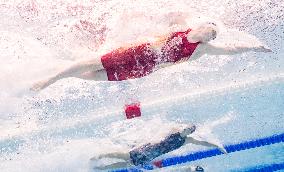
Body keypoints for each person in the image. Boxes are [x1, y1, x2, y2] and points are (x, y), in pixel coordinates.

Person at [31, 22, 272, 91]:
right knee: (92, 64)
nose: (209, 34)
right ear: (200, 27)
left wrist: (253, 48)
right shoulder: (183, 28)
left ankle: (62, 74)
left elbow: (230, 51)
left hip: (145, 68)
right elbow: (152, 32)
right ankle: (51, 79)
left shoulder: (202, 49)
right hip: (136, 52)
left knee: (94, 77)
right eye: (209, 29)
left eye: (211, 34)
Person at [89, 124, 226, 170]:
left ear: (190, 132)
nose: (186, 131)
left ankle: (102, 168)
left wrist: (218, 146)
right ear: (184, 127)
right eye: (186, 128)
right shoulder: (174, 129)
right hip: (147, 148)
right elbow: (156, 135)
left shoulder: (187, 140)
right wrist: (140, 142)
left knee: (128, 163)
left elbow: (204, 143)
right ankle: (99, 156)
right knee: (125, 155)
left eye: (189, 131)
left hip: (152, 154)